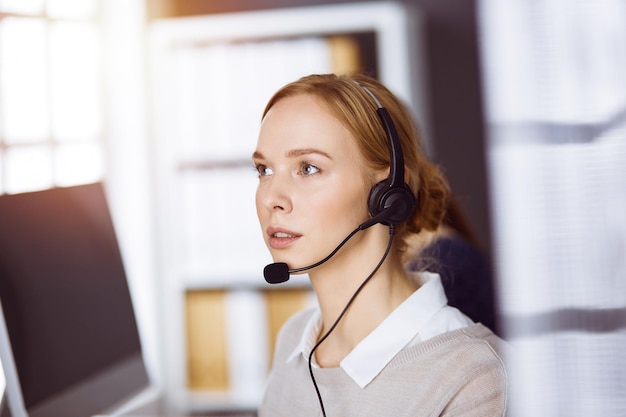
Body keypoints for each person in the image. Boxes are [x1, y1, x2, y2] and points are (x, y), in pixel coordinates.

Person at [252, 73, 507, 417]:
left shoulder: (474, 377)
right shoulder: (296, 340)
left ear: (386, 194)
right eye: (264, 170)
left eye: (308, 168)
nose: (272, 199)